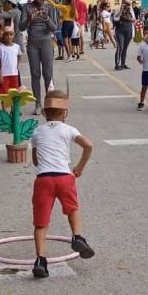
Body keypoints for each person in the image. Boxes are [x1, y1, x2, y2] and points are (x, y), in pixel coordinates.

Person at [29, 90, 94, 279]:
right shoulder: (69, 129)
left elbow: (35, 161)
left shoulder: (36, 132)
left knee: (41, 223)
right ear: (65, 112)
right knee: (72, 209)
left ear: (44, 112)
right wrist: (79, 167)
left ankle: (41, 260)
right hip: (65, 178)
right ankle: (78, 237)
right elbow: (88, 145)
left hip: (44, 179)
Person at [19, 0, 58, 115]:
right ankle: (38, 104)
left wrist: (46, 18)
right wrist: (29, 19)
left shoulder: (49, 7)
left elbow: (54, 27)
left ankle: (50, 104)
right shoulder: (27, 7)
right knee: (35, 74)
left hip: (46, 41)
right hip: (33, 43)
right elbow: (21, 27)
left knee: (48, 74)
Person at [113, 0, 136, 70]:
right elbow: (115, 18)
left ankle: (123, 64)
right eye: (126, 4)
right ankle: (117, 64)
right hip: (120, 31)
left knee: (125, 48)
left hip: (128, 30)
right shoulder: (118, 9)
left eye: (129, 4)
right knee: (120, 47)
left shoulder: (131, 10)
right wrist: (121, 10)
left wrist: (129, 18)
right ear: (122, 4)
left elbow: (134, 19)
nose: (127, 5)